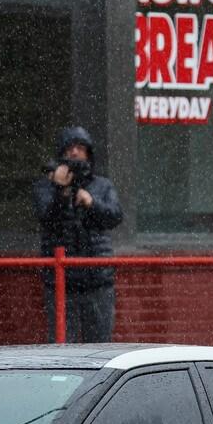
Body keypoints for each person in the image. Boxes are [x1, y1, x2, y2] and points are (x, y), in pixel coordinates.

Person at [33, 125, 124, 343]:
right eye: (69, 149)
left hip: (98, 280)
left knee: (100, 346)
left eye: (80, 148)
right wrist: (61, 192)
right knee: (63, 347)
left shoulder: (102, 185)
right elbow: (47, 219)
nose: (74, 153)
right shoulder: (46, 186)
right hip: (62, 283)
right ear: (61, 154)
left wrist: (91, 203)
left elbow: (115, 216)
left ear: (88, 153)